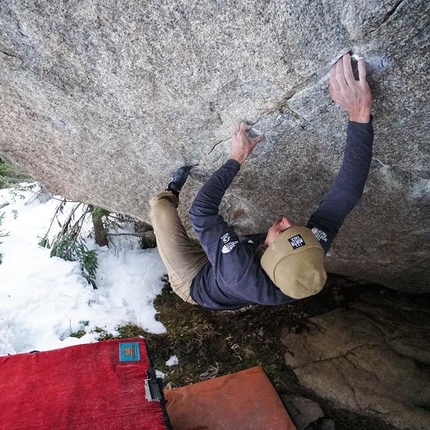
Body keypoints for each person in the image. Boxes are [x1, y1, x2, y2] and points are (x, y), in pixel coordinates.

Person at [150, 53, 373, 311]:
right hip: (229, 269)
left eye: (282, 231)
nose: (286, 220)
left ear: (267, 252)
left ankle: (169, 192)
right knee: (226, 251)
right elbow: (346, 195)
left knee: (160, 210)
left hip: (194, 279)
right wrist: (360, 115)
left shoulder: (239, 269)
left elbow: (200, 212)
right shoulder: (303, 254)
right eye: (295, 229)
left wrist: (237, 157)